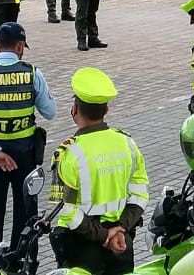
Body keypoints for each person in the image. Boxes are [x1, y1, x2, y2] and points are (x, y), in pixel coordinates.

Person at [0, 21, 57, 269]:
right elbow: (50, 112)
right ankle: (23, 264)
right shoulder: (33, 74)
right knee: (27, 217)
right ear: (20, 47)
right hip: (25, 156)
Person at [50, 68, 149, 275]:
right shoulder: (127, 144)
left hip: (82, 250)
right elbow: (140, 195)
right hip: (121, 244)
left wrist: (104, 236)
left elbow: (66, 210)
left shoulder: (68, 154)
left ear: (75, 110)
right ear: (107, 110)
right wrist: (119, 229)